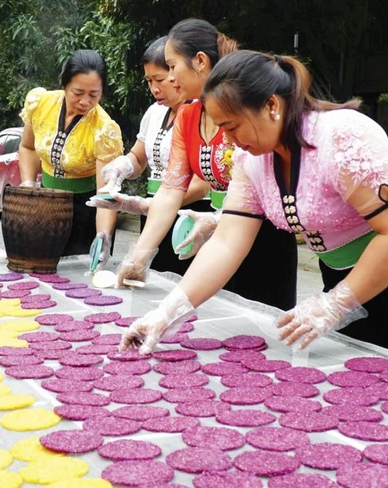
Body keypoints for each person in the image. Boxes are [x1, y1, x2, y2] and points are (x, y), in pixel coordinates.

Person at [120, 50, 388, 373]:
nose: (230, 141)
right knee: (359, 384)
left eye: (232, 127)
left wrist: (336, 304)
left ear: (271, 105)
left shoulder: (341, 137)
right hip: (343, 271)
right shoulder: (250, 159)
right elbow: (227, 244)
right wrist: (166, 314)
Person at [115, 19, 297, 310]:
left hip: (264, 238)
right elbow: (171, 189)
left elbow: (271, 185)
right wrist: (140, 253)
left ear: (200, 61)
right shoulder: (187, 116)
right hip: (220, 237)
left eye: (172, 66)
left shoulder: (249, 110)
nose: (170, 77)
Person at [89, 36, 211, 275]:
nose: (155, 88)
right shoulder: (155, 113)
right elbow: (138, 157)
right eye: (149, 81)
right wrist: (123, 166)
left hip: (187, 213)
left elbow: (201, 185)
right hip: (154, 211)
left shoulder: (203, 114)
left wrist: (154, 205)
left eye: (161, 79)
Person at [17, 49, 123, 265]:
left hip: (84, 212)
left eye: (94, 94)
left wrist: (103, 236)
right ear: (64, 84)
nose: (85, 101)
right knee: (39, 271)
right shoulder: (40, 103)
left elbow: (105, 193)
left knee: (78, 279)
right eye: (78, 92)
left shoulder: (104, 129)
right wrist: (28, 184)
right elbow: (27, 147)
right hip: (44, 205)